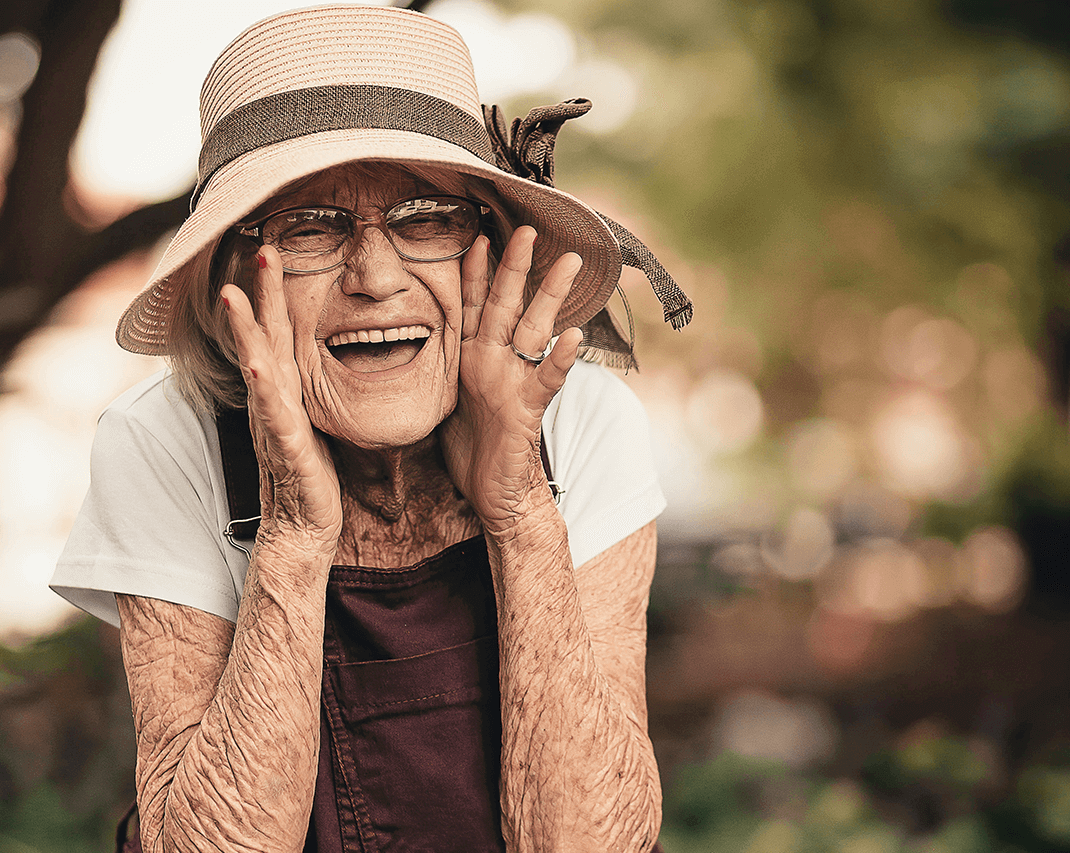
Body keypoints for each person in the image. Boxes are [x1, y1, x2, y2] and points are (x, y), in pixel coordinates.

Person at [51, 5, 691, 852]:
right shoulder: (165, 440)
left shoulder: (580, 419)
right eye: (308, 228)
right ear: (231, 275)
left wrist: (517, 508)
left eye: (426, 217)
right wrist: (291, 530)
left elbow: (593, 842)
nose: (376, 277)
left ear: (491, 250)